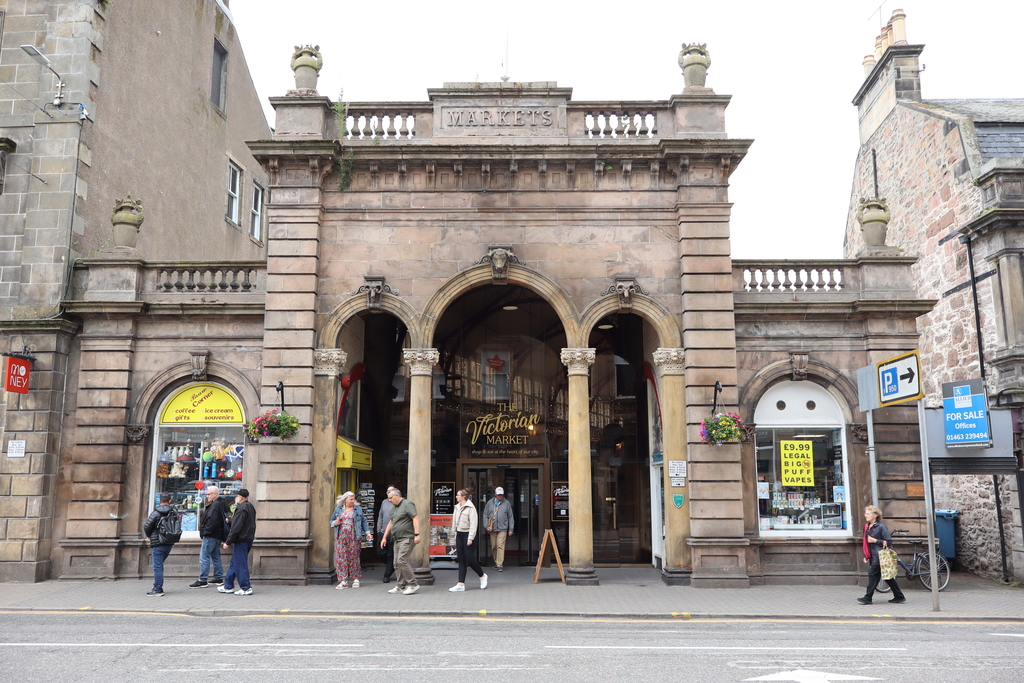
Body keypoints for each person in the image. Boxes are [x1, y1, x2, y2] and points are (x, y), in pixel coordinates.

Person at [858, 504, 906, 605]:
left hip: (881, 555)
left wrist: (875, 540)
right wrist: (866, 555)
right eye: (865, 513)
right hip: (874, 555)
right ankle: (899, 596)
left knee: (873, 575)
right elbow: (866, 543)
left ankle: (868, 597)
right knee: (887, 577)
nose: (865, 515)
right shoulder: (867, 527)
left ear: (875, 515)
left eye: (868, 514)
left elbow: (889, 542)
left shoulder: (881, 527)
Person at [380, 487, 421, 595]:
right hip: (397, 538)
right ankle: (400, 585)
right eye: (388, 498)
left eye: (391, 498)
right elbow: (391, 523)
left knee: (402, 560)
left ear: (397, 495)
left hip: (407, 537)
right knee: (396, 563)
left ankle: (413, 584)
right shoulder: (394, 508)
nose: (389, 500)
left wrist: (417, 534)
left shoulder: (407, 504)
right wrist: (384, 537)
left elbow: (415, 518)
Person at [448, 488, 487, 592]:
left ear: (463, 497)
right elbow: (454, 521)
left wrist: (470, 537)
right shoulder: (457, 507)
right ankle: (461, 583)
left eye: (458, 495)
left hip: (468, 534)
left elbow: (474, 524)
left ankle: (482, 576)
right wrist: (453, 533)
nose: (456, 496)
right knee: (461, 559)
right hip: (459, 534)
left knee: (469, 559)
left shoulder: (471, 508)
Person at [219, 488, 256, 596]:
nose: (236, 498)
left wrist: (228, 541)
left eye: (237, 496)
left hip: (241, 540)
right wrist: (231, 520)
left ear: (241, 497)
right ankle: (228, 586)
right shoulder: (249, 507)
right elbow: (245, 522)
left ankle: (246, 587)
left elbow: (237, 527)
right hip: (247, 538)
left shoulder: (242, 508)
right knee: (235, 563)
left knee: (240, 564)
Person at [331, 491, 372, 589]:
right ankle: (343, 580)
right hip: (341, 537)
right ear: (345, 500)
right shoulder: (338, 509)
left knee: (354, 557)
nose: (353, 501)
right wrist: (335, 522)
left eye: (354, 499)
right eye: (351, 499)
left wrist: (368, 533)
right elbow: (331, 521)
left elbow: (363, 522)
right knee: (341, 558)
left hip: (354, 536)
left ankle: (356, 578)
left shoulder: (358, 509)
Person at [190, 485, 227, 588]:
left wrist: (205, 532)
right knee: (215, 556)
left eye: (209, 494)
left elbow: (212, 521)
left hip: (211, 535)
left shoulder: (215, 505)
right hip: (217, 535)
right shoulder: (219, 504)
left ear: (215, 494)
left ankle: (202, 579)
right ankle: (218, 578)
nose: (208, 496)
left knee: (204, 557)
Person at [143, 492, 179, 596]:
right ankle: (158, 587)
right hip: (169, 542)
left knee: (157, 566)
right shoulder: (173, 512)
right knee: (159, 565)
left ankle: (157, 589)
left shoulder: (156, 512)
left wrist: (149, 535)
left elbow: (147, 526)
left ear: (159, 501)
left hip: (158, 542)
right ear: (170, 501)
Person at [482, 486, 515, 572]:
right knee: (494, 546)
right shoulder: (489, 503)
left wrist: (511, 529)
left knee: (500, 546)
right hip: (492, 528)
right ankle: (496, 562)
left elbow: (510, 517)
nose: (500, 496)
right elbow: (485, 515)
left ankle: (500, 564)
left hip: (503, 528)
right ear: (495, 494)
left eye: (501, 495)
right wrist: (486, 526)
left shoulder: (506, 503)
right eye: (499, 495)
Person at [376, 491, 396, 583]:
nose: (389, 493)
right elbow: (380, 516)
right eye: (388, 491)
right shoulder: (384, 502)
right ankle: (391, 565)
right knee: (380, 552)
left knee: (391, 554)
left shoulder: (398, 503)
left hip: (394, 533)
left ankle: (387, 575)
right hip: (383, 532)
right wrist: (379, 529)